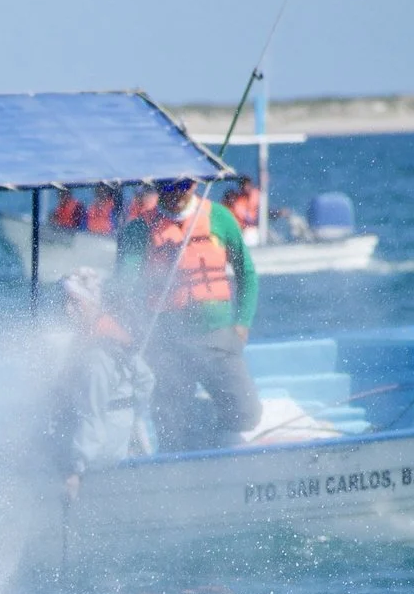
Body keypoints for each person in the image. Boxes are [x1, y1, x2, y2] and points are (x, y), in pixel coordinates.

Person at [118, 176, 260, 451]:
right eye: (166, 187)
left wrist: (242, 323)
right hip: (167, 343)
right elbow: (124, 288)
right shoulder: (139, 229)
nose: (174, 193)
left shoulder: (219, 217)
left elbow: (247, 273)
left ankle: (218, 443)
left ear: (194, 185)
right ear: (157, 188)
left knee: (246, 411)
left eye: (182, 186)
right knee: (171, 426)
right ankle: (180, 469)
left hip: (216, 337)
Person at [49, 267, 155, 495]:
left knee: (37, 457)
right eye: (65, 302)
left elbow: (92, 417)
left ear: (91, 303)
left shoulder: (95, 359)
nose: (68, 311)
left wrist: (76, 470)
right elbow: (146, 379)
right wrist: (134, 418)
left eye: (75, 303)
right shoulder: (107, 337)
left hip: (101, 451)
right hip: (117, 437)